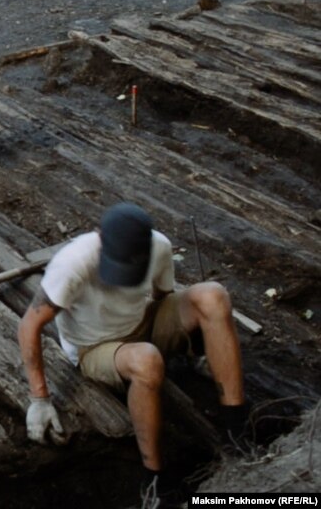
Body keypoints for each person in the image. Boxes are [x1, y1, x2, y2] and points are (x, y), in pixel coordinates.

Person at [18, 202, 248, 502]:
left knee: (213, 295)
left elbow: (166, 297)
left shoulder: (159, 246)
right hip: (95, 347)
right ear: (100, 238)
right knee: (147, 360)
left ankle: (239, 432)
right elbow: (29, 326)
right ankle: (155, 480)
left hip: (142, 323)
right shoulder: (73, 263)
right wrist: (40, 399)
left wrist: (194, 343)